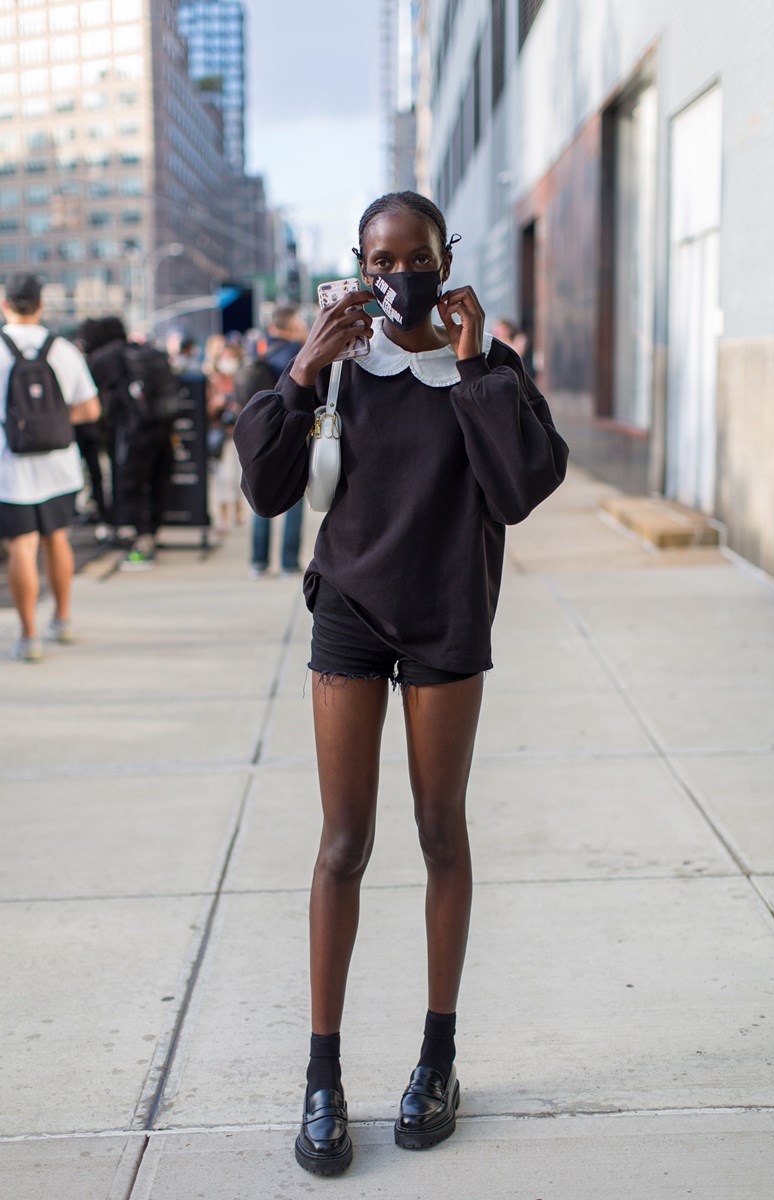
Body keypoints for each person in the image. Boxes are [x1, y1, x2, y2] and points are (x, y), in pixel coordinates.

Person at [234, 192, 568, 1175]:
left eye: (412, 256)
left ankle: (435, 1061)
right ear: (357, 262)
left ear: (443, 257)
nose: (395, 276)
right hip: (349, 610)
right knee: (342, 842)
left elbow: (514, 491)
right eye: (377, 259)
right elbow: (263, 491)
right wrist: (300, 369)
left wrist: (472, 366)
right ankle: (322, 1077)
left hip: (446, 612)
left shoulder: (487, 369)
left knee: (437, 832)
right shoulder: (332, 364)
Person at [0, 273, 100, 661]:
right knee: (57, 538)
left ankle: (29, 636)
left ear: (5, 304)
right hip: (60, 465)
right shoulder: (62, 349)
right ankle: (62, 618)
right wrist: (52, 421)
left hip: (11, 468)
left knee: (22, 547)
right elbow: (90, 409)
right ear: (41, 304)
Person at [82, 316, 176, 569]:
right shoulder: (144, 352)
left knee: (131, 484)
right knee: (157, 481)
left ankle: (140, 540)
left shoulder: (104, 357)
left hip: (132, 430)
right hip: (161, 426)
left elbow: (83, 394)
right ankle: (151, 534)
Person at [234, 305, 309, 577]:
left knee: (260, 496)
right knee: (294, 496)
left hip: (257, 432)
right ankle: (289, 562)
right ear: (290, 326)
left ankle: (258, 562)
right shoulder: (296, 353)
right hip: (290, 433)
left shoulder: (257, 350)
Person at [205, 338, 245, 534]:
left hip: (240, 433)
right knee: (223, 477)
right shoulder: (213, 380)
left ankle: (238, 507)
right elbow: (207, 410)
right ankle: (223, 515)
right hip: (222, 435)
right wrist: (217, 404)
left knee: (239, 476)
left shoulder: (241, 378)